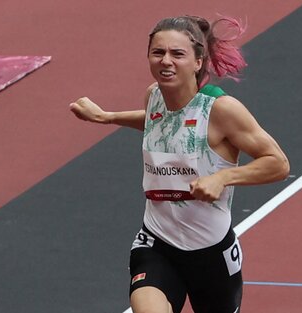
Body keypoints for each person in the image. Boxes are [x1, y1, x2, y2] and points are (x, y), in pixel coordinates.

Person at [70, 15, 289, 313]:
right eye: (158, 53)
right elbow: (157, 122)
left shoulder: (221, 111)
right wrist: (107, 117)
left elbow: (278, 163)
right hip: (157, 244)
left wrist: (223, 177)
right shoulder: (154, 97)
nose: (166, 61)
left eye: (178, 54)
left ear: (198, 61)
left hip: (211, 254)